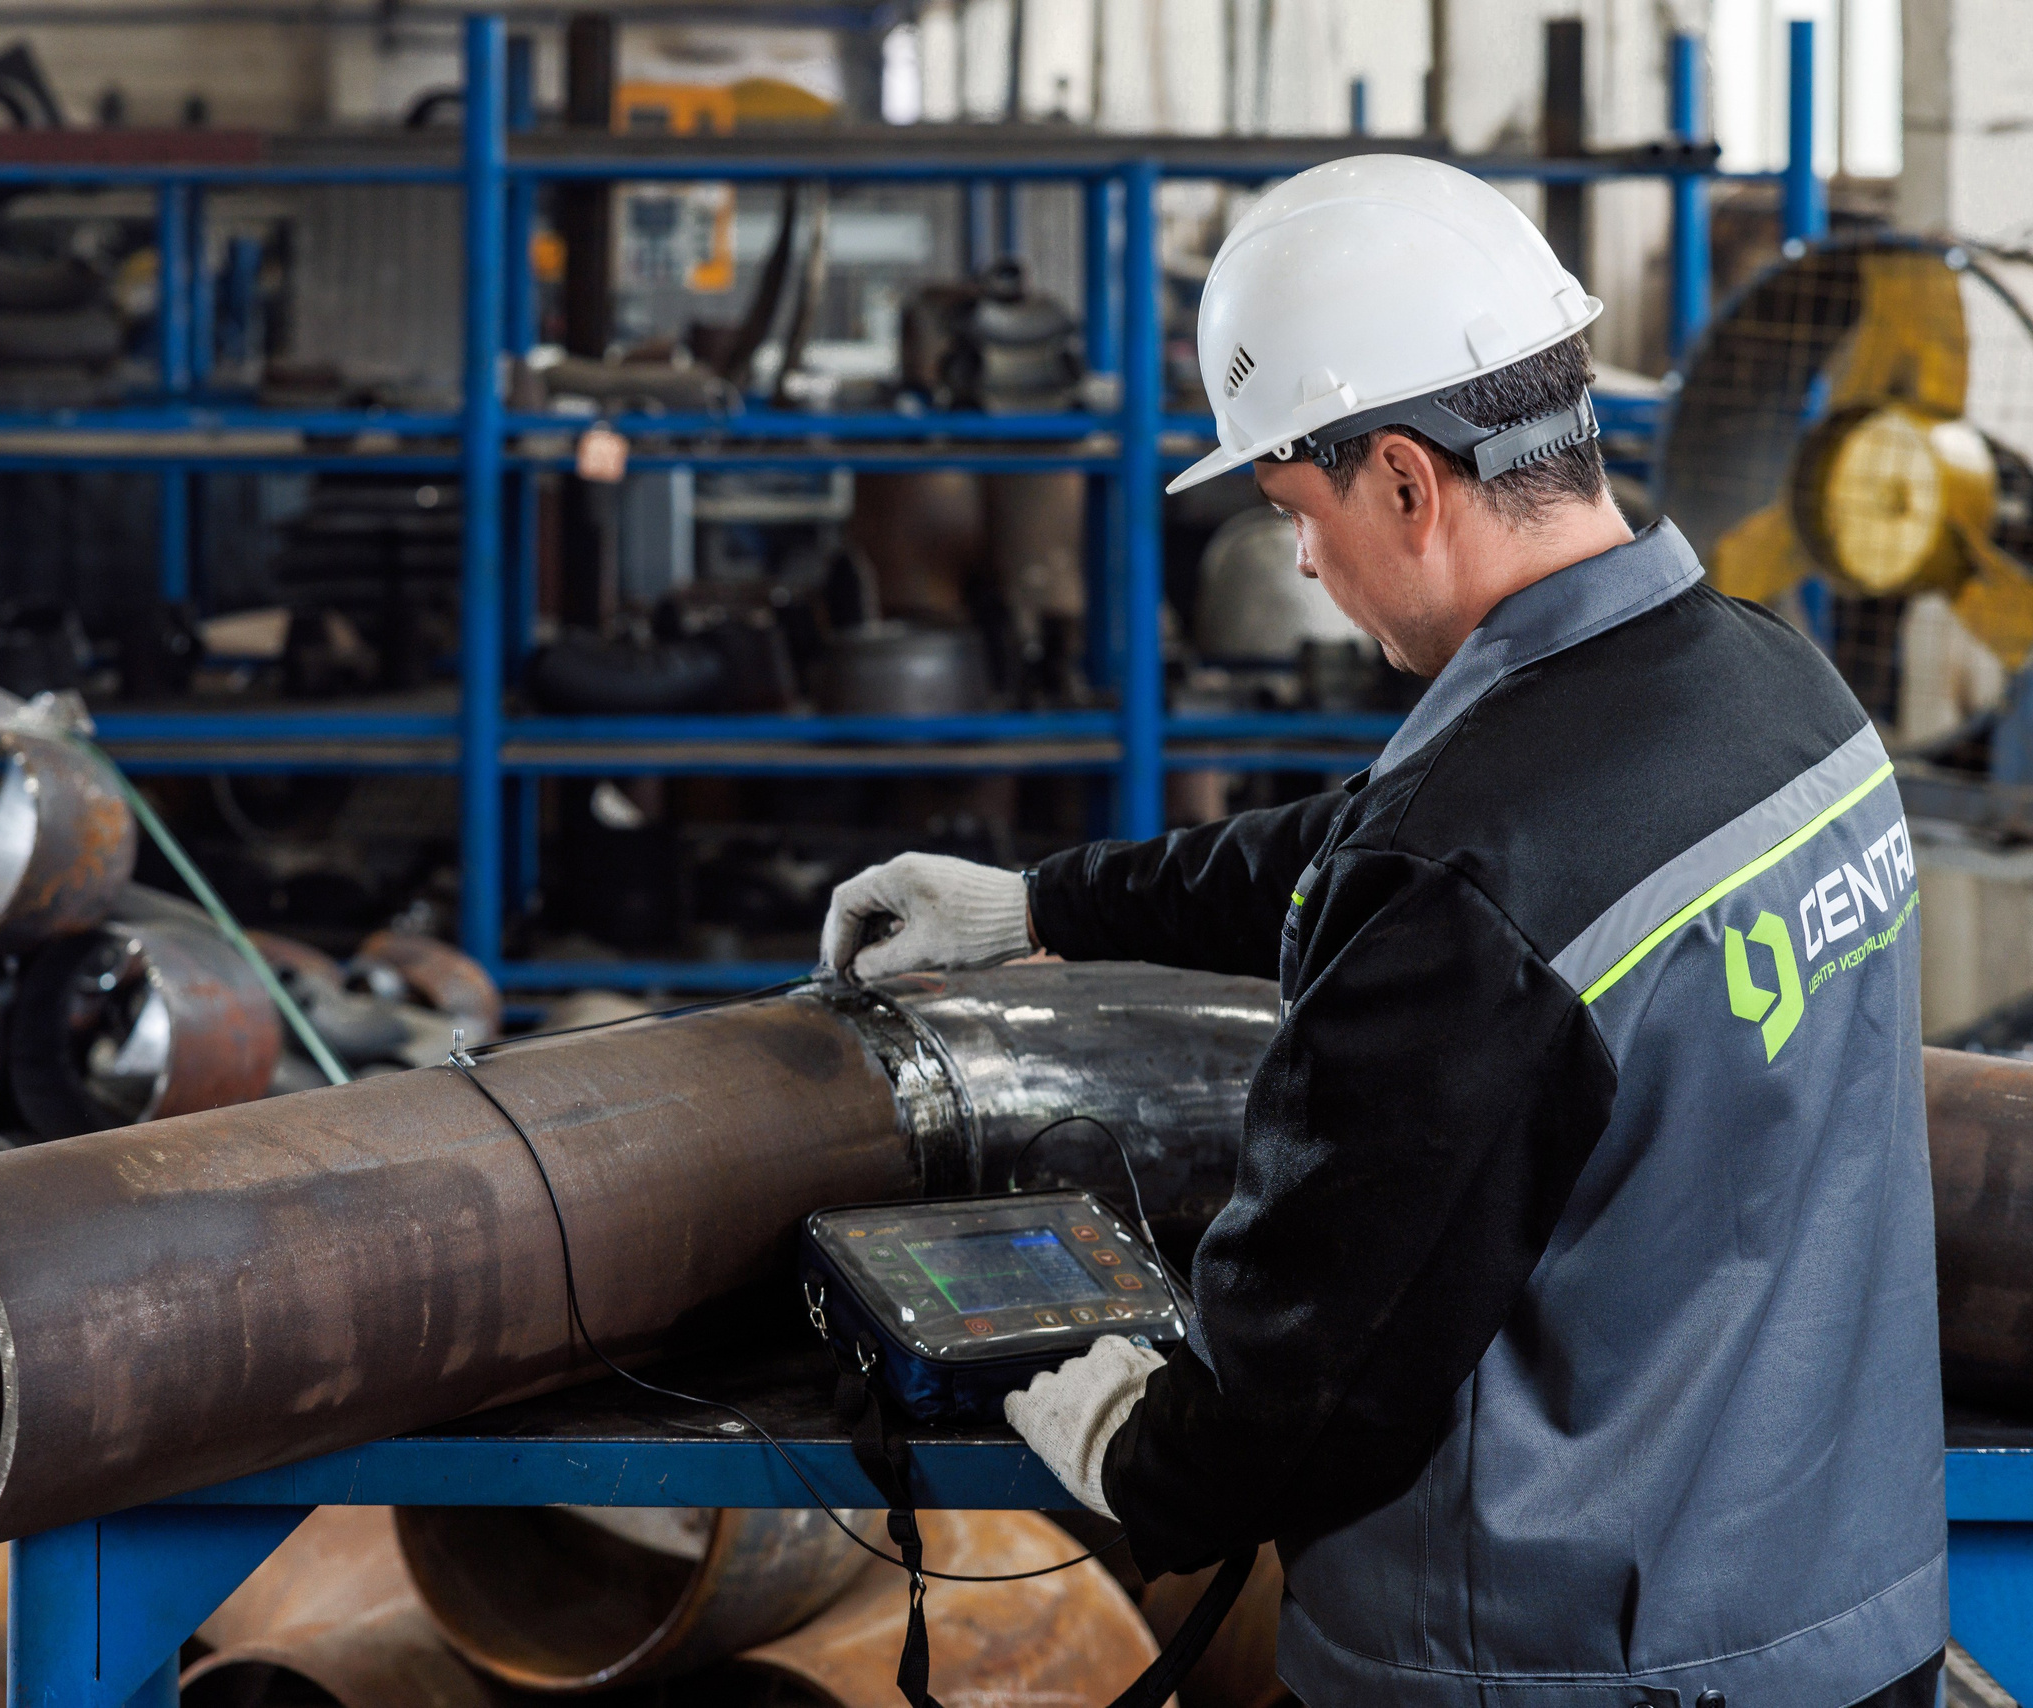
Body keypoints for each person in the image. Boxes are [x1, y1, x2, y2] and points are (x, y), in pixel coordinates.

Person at [819, 156, 1944, 1708]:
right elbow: (1375, 852)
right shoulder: (1778, 698)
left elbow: (1315, 1385)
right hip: (1843, 1623)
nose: (1299, 561)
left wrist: (1145, 1453)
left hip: (1564, 1668)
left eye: (1295, 508)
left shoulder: (1468, 877)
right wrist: (1035, 908)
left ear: (1408, 482)